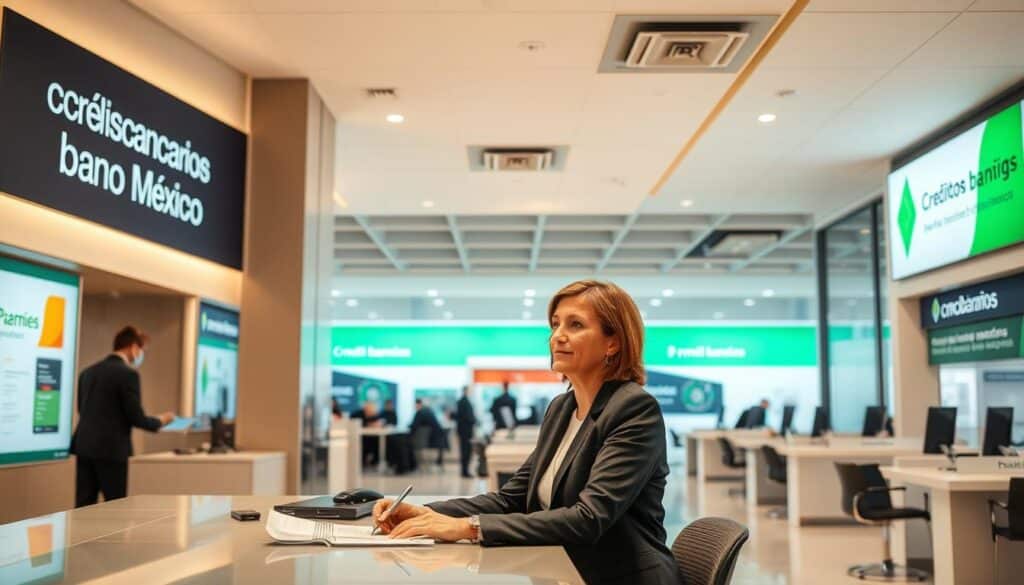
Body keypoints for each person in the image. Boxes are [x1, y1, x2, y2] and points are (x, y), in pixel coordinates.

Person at [372, 280, 679, 585]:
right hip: (562, 570)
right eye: (555, 324)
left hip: (621, 576)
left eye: (575, 325)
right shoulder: (561, 409)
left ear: (613, 343)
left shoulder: (634, 408)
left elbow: (589, 518)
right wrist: (421, 512)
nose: (558, 336)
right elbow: (512, 499)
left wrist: (469, 527)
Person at [71, 326, 174, 507]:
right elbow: (136, 417)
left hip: (84, 447)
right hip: (112, 450)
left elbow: (82, 409)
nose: (141, 354)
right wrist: (161, 420)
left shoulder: (87, 373)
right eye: (141, 350)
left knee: (83, 509)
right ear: (133, 347)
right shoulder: (128, 374)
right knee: (116, 509)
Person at [409, 398, 446, 466]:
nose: (415, 407)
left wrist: (408, 427)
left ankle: (411, 465)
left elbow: (414, 425)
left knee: (407, 442)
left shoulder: (420, 412)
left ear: (418, 404)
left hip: (430, 439)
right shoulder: (428, 411)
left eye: (415, 405)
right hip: (437, 438)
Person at [453, 385, 478, 478]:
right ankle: (464, 471)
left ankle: (465, 470)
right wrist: (474, 420)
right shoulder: (464, 402)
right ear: (465, 391)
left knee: (466, 451)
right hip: (465, 431)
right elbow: (467, 417)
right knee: (465, 451)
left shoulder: (463, 401)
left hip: (464, 431)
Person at [352, 401, 383, 466]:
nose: (371, 413)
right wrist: (368, 424)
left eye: (372, 412)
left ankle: (375, 462)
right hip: (359, 437)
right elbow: (354, 425)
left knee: (378, 442)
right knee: (363, 443)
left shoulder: (375, 415)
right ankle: (362, 462)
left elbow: (379, 424)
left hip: (371, 437)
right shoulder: (357, 414)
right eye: (369, 411)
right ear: (365, 408)